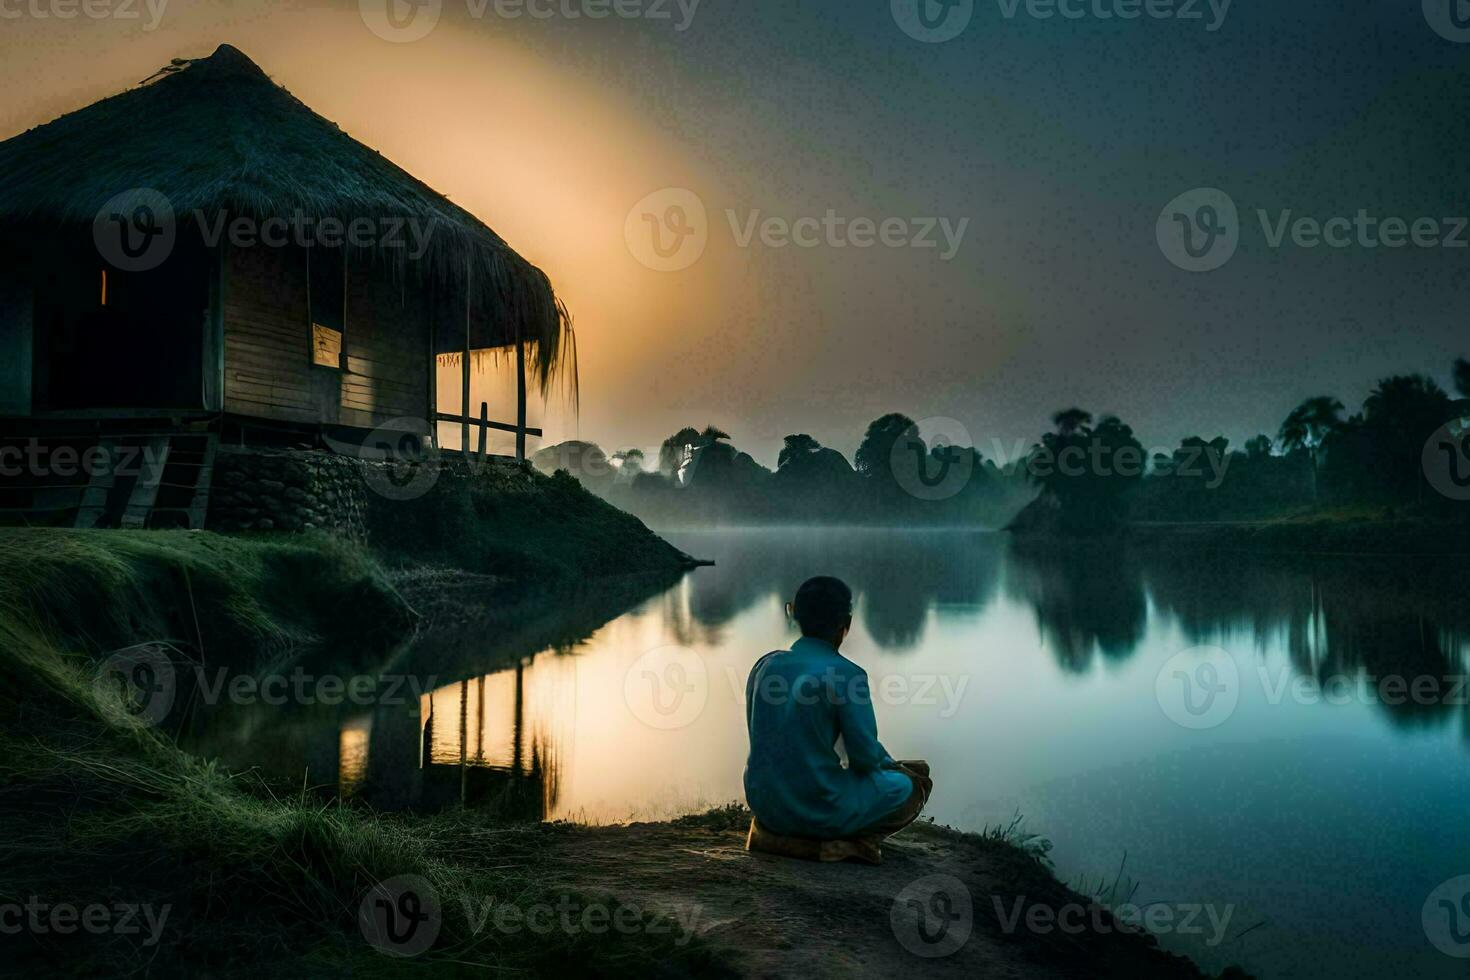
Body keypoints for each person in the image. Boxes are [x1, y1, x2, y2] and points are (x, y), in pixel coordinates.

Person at [743, 576, 932, 863]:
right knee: (910, 787)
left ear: (792, 612)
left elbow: (773, 739)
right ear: (847, 622)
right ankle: (837, 844)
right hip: (815, 810)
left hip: (765, 805)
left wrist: (890, 763)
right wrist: (895, 769)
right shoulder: (847, 674)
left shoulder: (765, 665)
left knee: (901, 771)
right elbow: (864, 759)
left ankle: (772, 837)